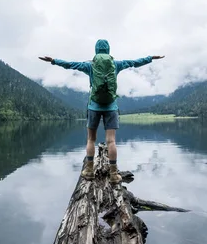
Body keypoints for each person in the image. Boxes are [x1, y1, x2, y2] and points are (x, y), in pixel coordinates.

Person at [39, 39, 164, 184]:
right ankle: (113, 174)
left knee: (91, 139)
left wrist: (53, 61)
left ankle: (89, 171)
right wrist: (150, 58)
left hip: (94, 107)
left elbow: (70, 65)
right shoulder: (116, 64)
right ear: (108, 50)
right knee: (111, 141)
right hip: (111, 107)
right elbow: (134, 62)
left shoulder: (90, 66)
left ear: (96, 50)